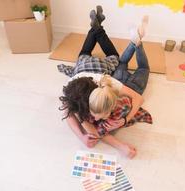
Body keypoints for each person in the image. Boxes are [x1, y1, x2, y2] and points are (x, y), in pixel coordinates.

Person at [59, 6, 152, 158]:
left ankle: (97, 27)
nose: (95, 119)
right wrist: (82, 136)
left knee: (110, 57)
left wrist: (124, 120)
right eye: (94, 115)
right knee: (87, 54)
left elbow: (138, 98)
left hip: (94, 69)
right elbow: (70, 114)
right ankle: (96, 27)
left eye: (98, 116)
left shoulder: (107, 82)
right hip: (82, 66)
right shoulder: (75, 95)